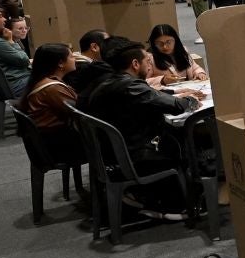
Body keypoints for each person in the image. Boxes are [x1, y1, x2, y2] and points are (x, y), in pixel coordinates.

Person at [78, 37, 202, 218]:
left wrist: (173, 94)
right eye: (147, 61)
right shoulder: (130, 85)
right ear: (135, 64)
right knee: (190, 140)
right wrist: (189, 100)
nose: (150, 66)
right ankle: (180, 202)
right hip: (136, 155)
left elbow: (148, 96)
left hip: (114, 153)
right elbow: (176, 106)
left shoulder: (112, 80)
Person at [17, 42, 84, 162]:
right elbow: (81, 112)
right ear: (60, 63)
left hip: (51, 140)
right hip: (58, 147)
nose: (75, 58)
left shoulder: (43, 81)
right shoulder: (51, 88)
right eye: (71, 56)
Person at [63, 29, 115, 98]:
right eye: (108, 44)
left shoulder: (77, 65)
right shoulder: (87, 69)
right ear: (94, 47)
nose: (112, 48)